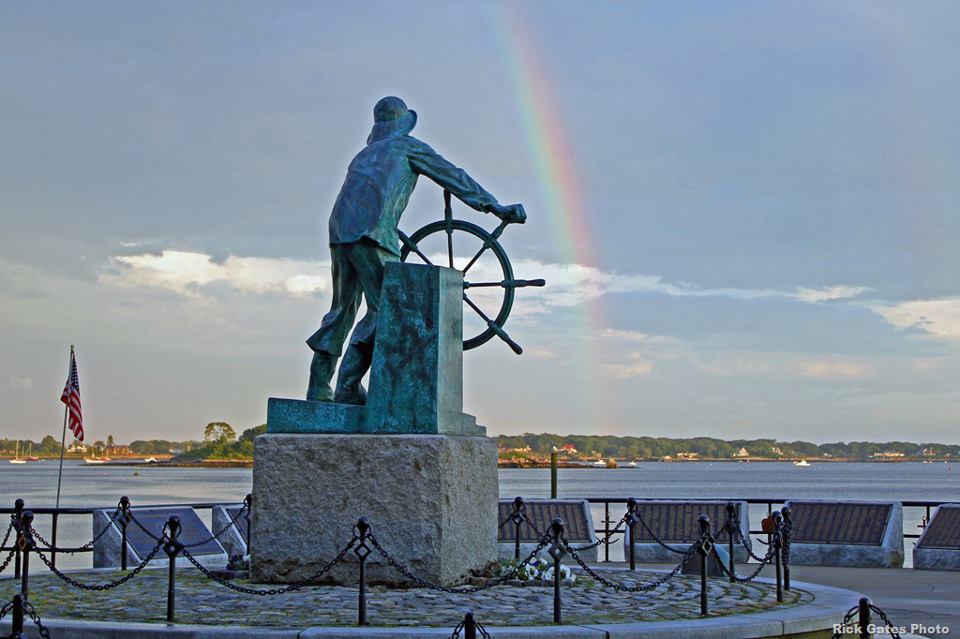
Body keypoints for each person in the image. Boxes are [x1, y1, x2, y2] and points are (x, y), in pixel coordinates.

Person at [306, 96, 526, 404]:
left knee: (342, 309)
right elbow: (454, 176)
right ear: (403, 125)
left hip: (340, 232)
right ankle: (347, 387)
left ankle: (318, 385)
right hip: (373, 235)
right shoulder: (408, 147)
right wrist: (496, 207)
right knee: (388, 309)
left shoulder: (362, 155)